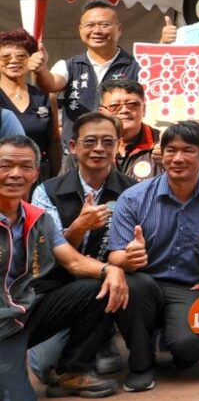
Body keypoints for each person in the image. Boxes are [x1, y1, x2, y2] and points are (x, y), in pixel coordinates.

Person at [0, 135, 127, 401]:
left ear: (35, 173)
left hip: (22, 315)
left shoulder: (38, 218)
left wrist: (110, 270)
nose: (16, 174)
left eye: (25, 167)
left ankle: (71, 370)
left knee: (97, 287)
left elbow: (73, 261)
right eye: (5, 166)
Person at [106, 120, 199, 389]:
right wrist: (129, 258)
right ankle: (141, 363)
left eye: (188, 150)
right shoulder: (133, 198)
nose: (178, 158)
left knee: (187, 346)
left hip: (191, 287)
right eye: (171, 150)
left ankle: (180, 348)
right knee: (134, 283)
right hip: (145, 283)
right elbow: (114, 256)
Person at [28, 112, 131, 381]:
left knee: (130, 281)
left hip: (113, 284)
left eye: (108, 142)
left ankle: (99, 340)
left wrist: (136, 253)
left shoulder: (133, 192)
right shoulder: (46, 192)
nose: (99, 148)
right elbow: (49, 256)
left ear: (118, 146)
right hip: (58, 287)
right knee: (43, 367)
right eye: (90, 141)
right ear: (73, 147)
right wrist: (77, 229)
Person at [33, 0, 139, 144]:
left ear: (119, 29)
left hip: (120, 149)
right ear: (80, 30)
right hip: (76, 150)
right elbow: (50, 84)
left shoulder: (136, 66)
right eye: (90, 25)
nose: (97, 31)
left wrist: (164, 47)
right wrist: (40, 70)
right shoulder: (68, 66)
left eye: (105, 25)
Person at [0, 30, 53, 176]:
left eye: (21, 56)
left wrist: (55, 176)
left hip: (40, 173)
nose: (14, 61)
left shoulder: (44, 97)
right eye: (6, 56)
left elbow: (54, 142)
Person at [99, 81, 160, 185]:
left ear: (144, 109)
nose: (124, 110)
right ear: (102, 112)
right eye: (114, 106)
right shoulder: (88, 146)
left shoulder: (162, 145)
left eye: (132, 104)